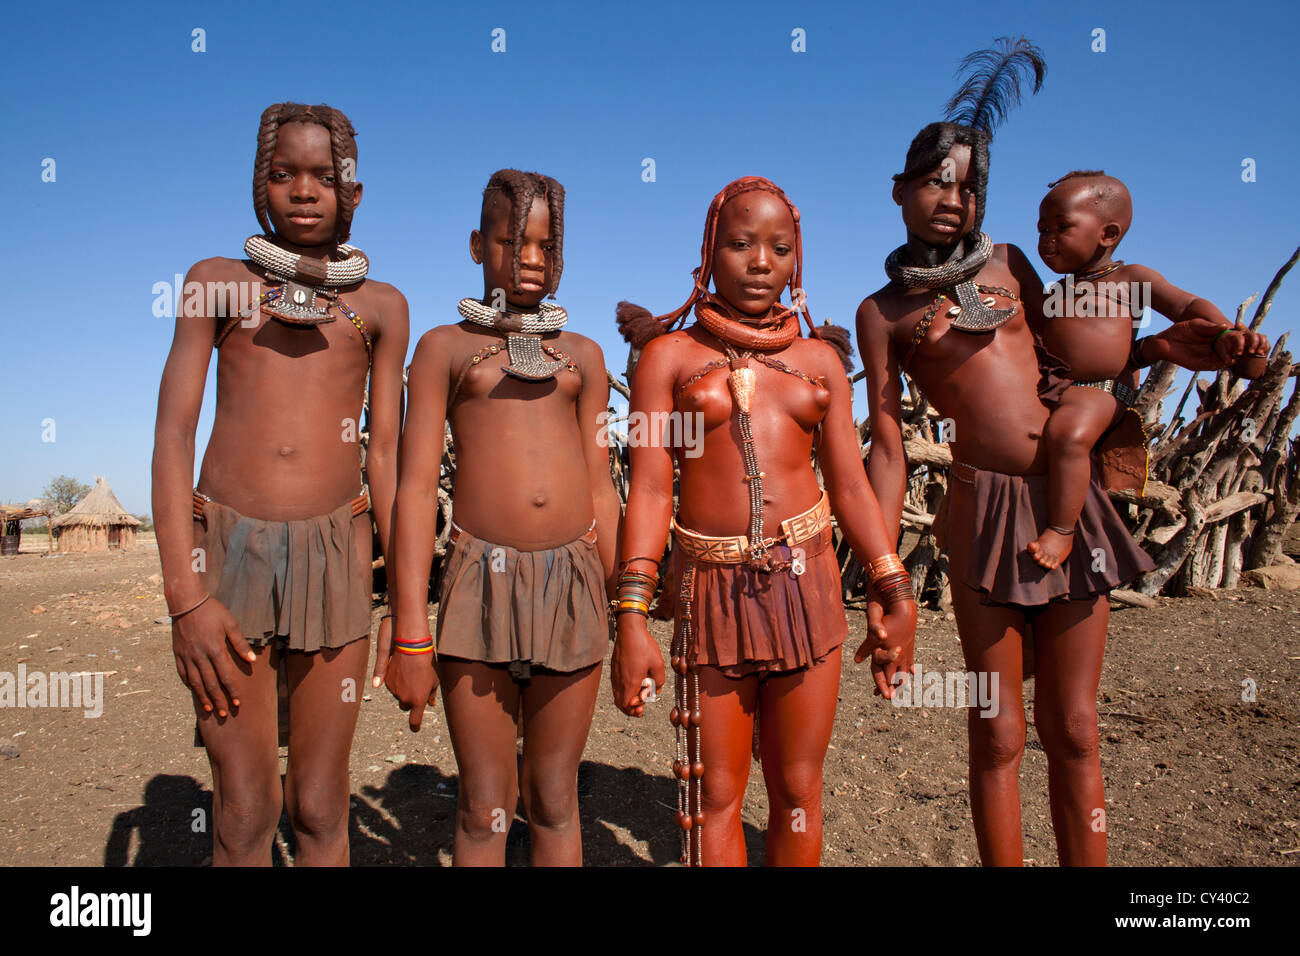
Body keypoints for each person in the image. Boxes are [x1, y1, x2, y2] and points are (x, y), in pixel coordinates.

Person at [858, 108, 1268, 864]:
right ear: (898, 190)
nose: (953, 198)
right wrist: (889, 579)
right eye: (935, 181)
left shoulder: (1011, 263)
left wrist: (1168, 344)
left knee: (1075, 728)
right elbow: (886, 446)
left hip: (1066, 505)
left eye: (971, 186)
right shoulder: (883, 314)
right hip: (984, 512)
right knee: (997, 729)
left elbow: (1072, 346)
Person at [612, 176, 917, 866]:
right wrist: (632, 614)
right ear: (708, 253)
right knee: (716, 792)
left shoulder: (820, 364)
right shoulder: (667, 358)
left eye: (779, 248)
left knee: (799, 786)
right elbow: (653, 489)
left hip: (807, 587)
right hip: (709, 593)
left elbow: (849, 484)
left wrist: (892, 586)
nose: (760, 262)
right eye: (741, 243)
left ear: (796, 261)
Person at [152, 102, 409, 865]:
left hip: (339, 555)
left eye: (324, 177)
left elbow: (386, 457)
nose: (304, 190)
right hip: (226, 557)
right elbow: (172, 435)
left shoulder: (381, 308)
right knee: (243, 809)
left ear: (355, 193)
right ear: (258, 183)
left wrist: (402, 602)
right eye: (283, 173)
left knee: (324, 805)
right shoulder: (215, 285)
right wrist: (185, 597)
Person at [383, 170, 621, 866]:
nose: (528, 257)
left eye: (546, 246)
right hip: (475, 580)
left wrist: (626, 609)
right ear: (475, 244)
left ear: (563, 260)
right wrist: (410, 631)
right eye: (510, 239)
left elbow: (602, 487)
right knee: (486, 804)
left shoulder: (583, 357)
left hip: (574, 581)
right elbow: (416, 488)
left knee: (554, 798)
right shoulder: (443, 349)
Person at [1028, 169, 1270, 568]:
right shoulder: (1056, 293)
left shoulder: (1129, 279)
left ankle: (1062, 530)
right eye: (1041, 229)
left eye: (1061, 226)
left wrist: (1224, 332)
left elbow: (1186, 307)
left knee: (1068, 435)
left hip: (1103, 390)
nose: (1047, 238)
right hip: (1060, 389)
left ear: (1108, 234)